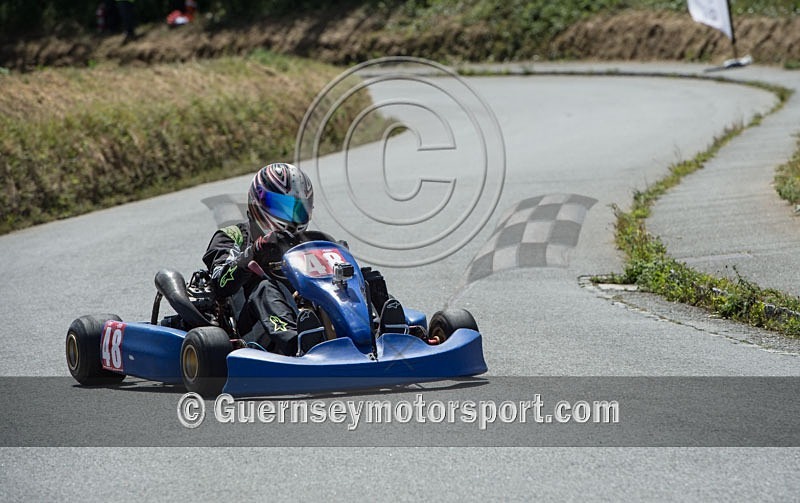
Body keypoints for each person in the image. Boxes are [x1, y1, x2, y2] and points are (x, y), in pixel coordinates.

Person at [202, 163, 405, 357]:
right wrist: (253, 253)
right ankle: (297, 343)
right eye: (281, 207)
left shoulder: (314, 241)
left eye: (297, 209)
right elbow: (220, 282)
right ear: (258, 204)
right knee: (264, 287)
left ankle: (386, 334)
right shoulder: (233, 235)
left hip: (307, 312)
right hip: (253, 324)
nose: (290, 217)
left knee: (363, 277)